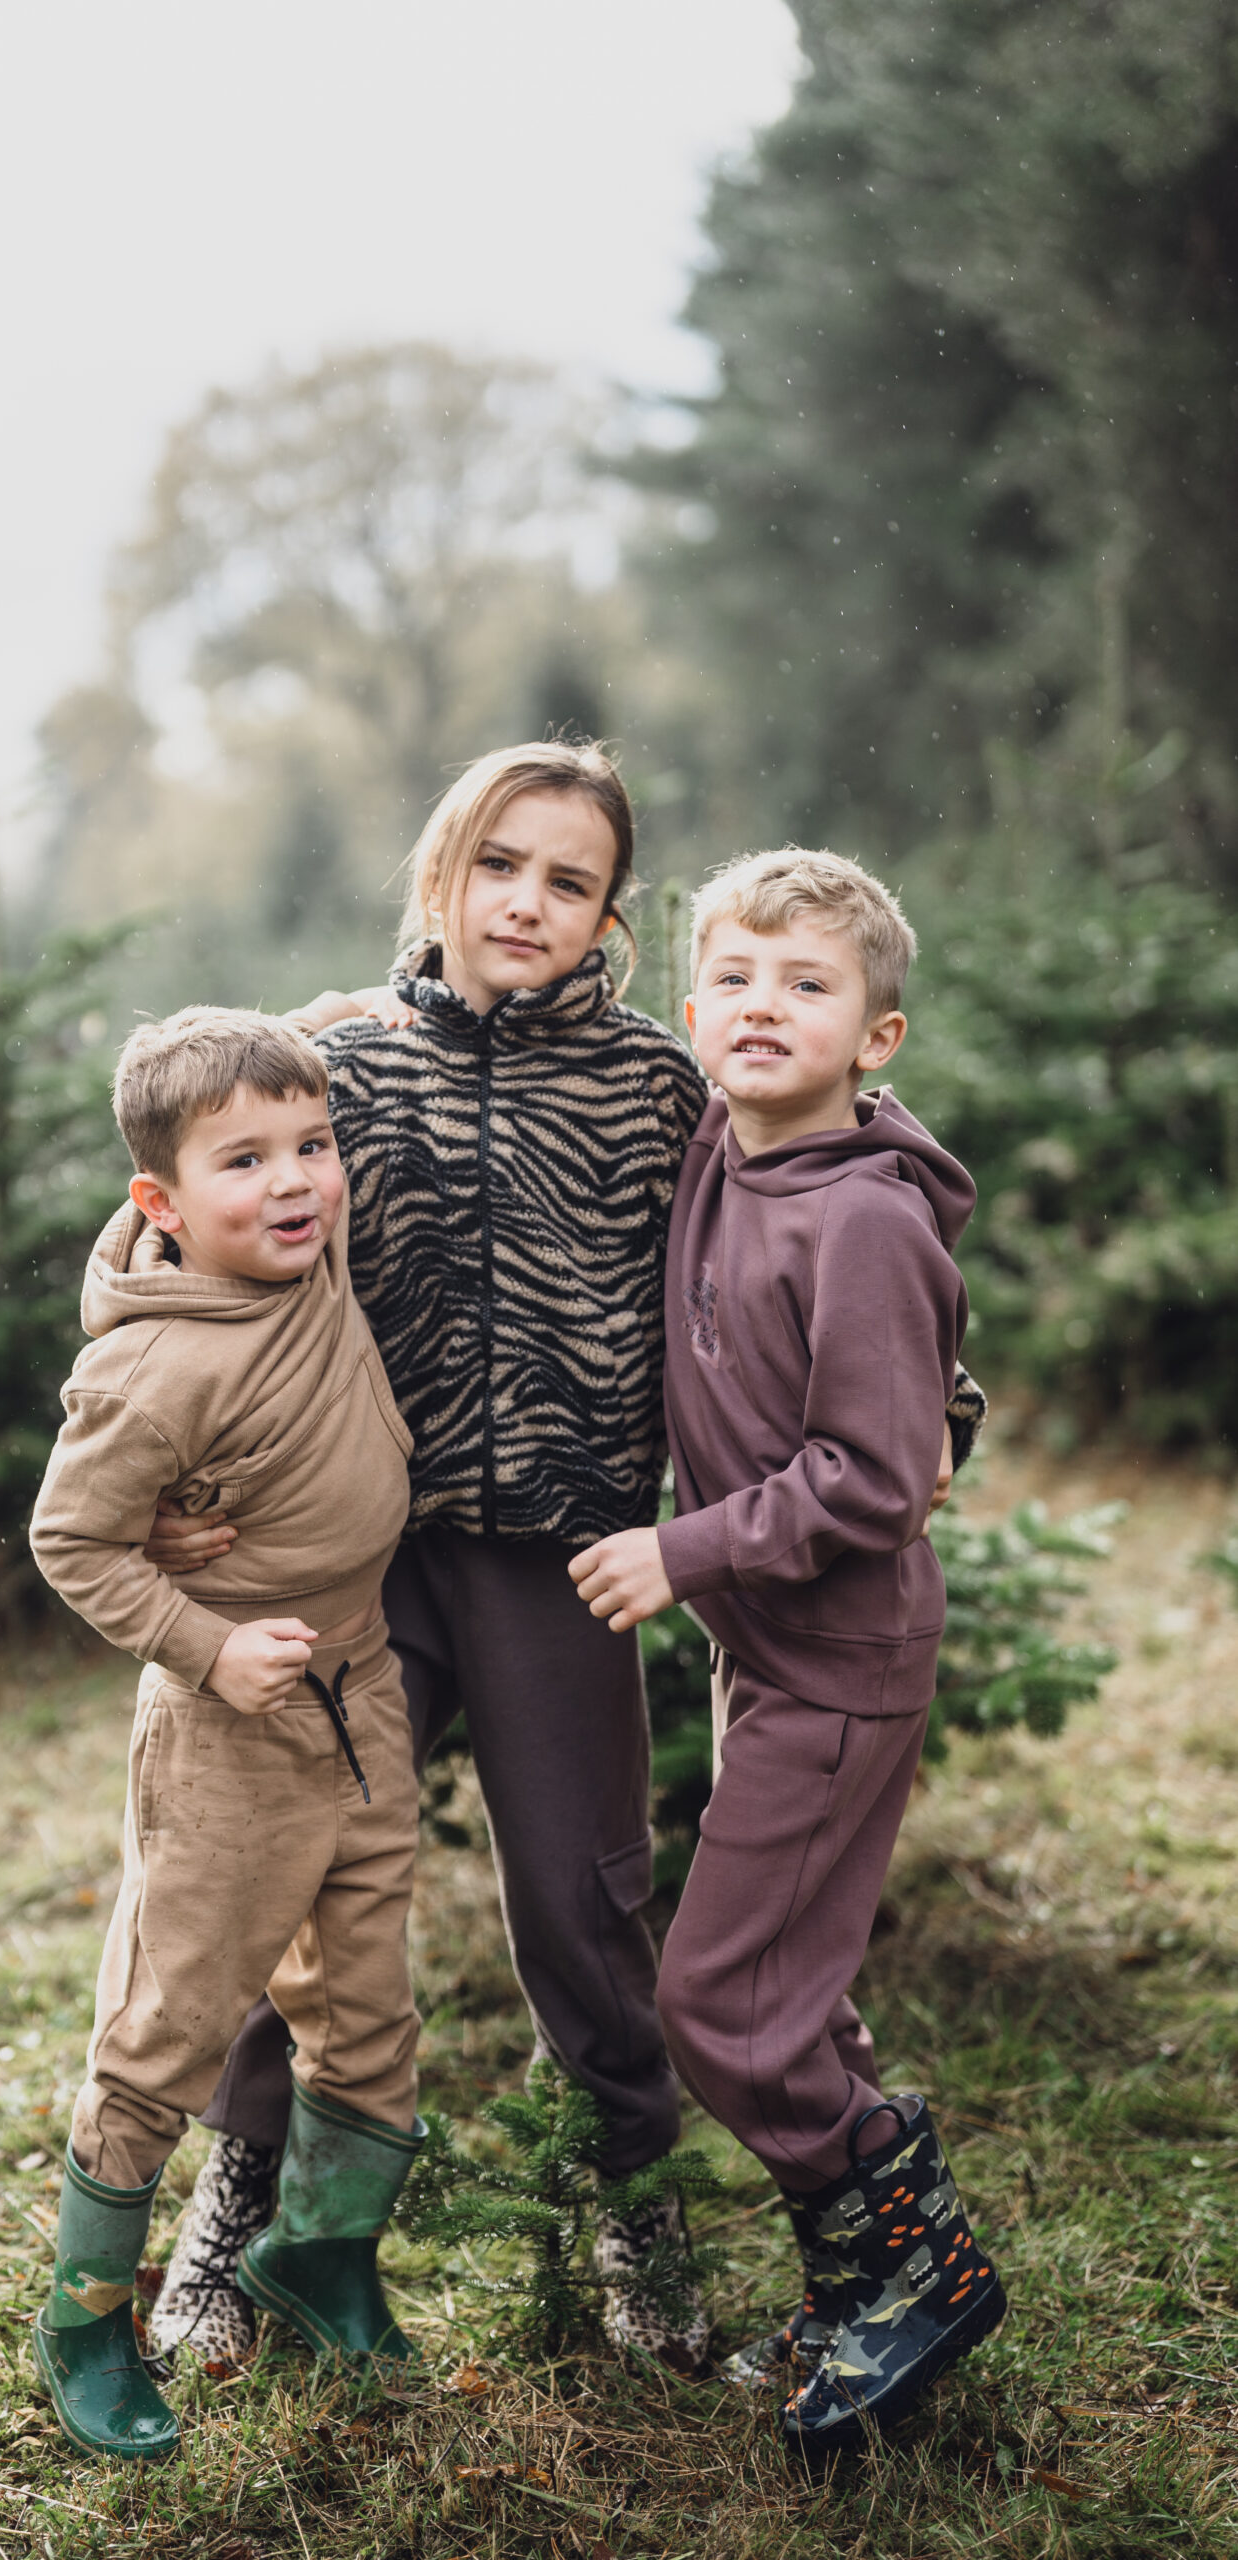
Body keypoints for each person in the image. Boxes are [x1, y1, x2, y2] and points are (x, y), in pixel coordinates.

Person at [140, 743, 986, 2375]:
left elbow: (847, 1202)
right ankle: (231, 2228)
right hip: (354, 1558)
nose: (527, 902)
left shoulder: (664, 1087)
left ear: (611, 917)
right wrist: (163, 1481)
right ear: (442, 875)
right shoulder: (337, 1072)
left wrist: (946, 1403)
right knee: (287, 1877)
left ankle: (635, 2225)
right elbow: (176, 1232)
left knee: (588, 1900)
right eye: (500, 866)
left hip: (564, 1560)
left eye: (570, 880)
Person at [570, 848, 1006, 2450]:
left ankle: (921, 2264)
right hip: (776, 1659)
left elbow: (878, 1479)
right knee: (794, 1991)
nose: (764, 1008)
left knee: (721, 1997)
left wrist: (679, 1553)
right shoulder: (719, 1144)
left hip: (841, 1659)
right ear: (693, 1014)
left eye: (808, 986)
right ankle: (867, 2276)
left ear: (876, 1039)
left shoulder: (865, 1225)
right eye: (737, 981)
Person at [27, 1007, 424, 2462]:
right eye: (245, 1161)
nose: (296, 1181)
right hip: (228, 1730)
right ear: (161, 1205)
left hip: (364, 1692)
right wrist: (205, 1641)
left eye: (313, 1147)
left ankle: (321, 2257)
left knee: (369, 2002)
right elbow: (73, 1541)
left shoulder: (303, 1261)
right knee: (170, 2023)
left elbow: (284, 1061)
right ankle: (85, 2324)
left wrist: (372, 1011)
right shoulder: (153, 1368)